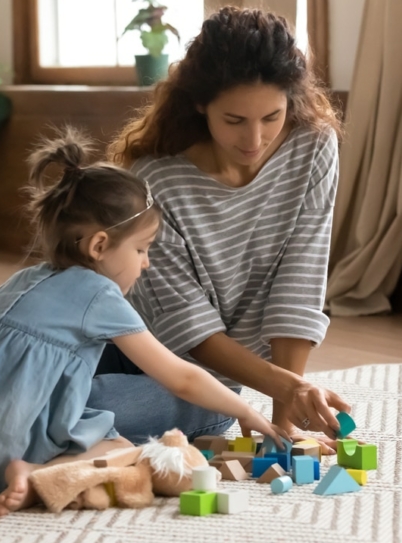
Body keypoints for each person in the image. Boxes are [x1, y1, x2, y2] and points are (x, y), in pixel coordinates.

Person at [0, 128, 297, 517]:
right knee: (126, 449)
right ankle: (38, 473)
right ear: (98, 246)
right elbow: (183, 378)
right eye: (141, 249)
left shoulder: (24, 280)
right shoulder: (98, 294)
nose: (146, 262)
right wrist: (248, 413)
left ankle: (29, 462)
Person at [90, 6, 347, 448]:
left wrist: (284, 417)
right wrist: (287, 387)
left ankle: (5, 405)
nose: (254, 141)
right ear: (199, 104)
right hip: (132, 349)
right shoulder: (157, 178)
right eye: (234, 121)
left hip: (207, 379)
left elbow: (299, 281)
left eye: (272, 117)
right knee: (208, 403)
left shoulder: (313, 146)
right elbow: (188, 328)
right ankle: (2, 399)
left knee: (216, 404)